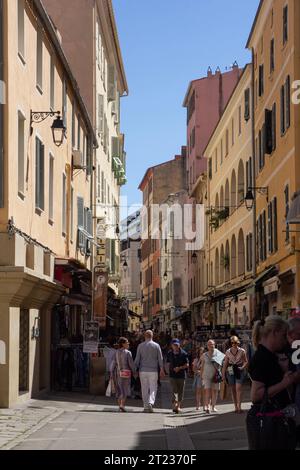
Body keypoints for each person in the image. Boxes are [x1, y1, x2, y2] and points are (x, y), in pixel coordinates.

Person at [247, 315, 298, 450]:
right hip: (272, 425)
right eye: (283, 335)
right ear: (274, 332)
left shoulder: (270, 355)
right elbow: (256, 395)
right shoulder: (262, 358)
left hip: (277, 422)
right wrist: (285, 382)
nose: (285, 340)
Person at [134, 330, 165, 413]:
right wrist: (162, 369)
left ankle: (145, 406)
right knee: (153, 387)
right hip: (153, 370)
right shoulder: (156, 345)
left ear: (144, 336)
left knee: (144, 388)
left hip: (142, 370)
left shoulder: (140, 346)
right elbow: (160, 358)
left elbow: (137, 359)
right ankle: (151, 402)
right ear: (152, 336)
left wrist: (134, 369)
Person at [222, 336, 248, 413]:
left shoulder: (242, 351)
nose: (234, 344)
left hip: (239, 369)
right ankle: (235, 407)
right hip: (230, 370)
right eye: (232, 343)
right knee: (233, 389)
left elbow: (246, 361)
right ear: (230, 343)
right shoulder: (228, 351)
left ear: (238, 342)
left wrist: (242, 367)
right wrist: (223, 375)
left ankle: (239, 407)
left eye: (235, 342)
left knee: (238, 389)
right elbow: (225, 363)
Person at [110, 337, 135, 412]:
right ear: (123, 344)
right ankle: (122, 405)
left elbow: (113, 364)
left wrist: (111, 373)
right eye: (127, 342)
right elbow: (131, 364)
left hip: (118, 373)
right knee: (125, 389)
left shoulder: (116, 352)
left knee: (119, 389)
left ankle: (119, 405)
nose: (128, 344)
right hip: (126, 373)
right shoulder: (128, 353)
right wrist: (134, 371)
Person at [201, 339, 225, 413]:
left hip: (215, 376)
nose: (211, 346)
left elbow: (223, 362)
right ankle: (207, 406)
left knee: (215, 391)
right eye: (209, 344)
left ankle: (213, 407)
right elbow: (202, 366)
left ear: (215, 345)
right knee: (208, 391)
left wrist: (222, 373)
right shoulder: (204, 355)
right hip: (207, 375)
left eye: (212, 344)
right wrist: (201, 375)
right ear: (207, 346)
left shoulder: (218, 353)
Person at [166, 339, 189, 413]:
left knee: (180, 391)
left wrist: (179, 368)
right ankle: (175, 405)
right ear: (171, 345)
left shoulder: (184, 353)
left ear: (179, 345)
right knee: (174, 390)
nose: (175, 346)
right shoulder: (169, 353)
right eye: (174, 345)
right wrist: (168, 370)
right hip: (172, 375)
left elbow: (187, 364)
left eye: (176, 345)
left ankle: (178, 406)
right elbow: (167, 363)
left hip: (181, 375)